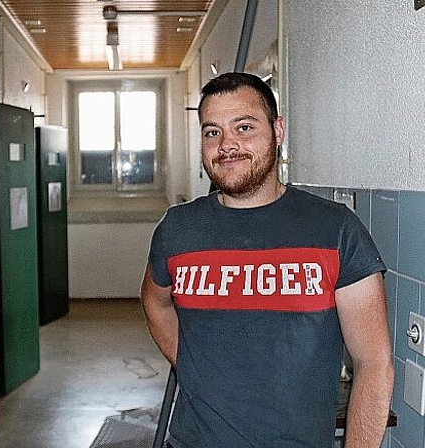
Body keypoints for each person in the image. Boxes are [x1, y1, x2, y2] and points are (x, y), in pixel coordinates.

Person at [141, 72, 394, 447]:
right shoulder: (177, 230)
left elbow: (375, 365)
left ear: (278, 131)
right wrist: (192, 365)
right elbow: (154, 301)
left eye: (244, 127)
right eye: (212, 132)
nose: (227, 144)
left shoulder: (336, 229)